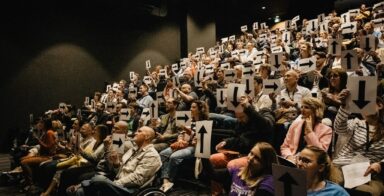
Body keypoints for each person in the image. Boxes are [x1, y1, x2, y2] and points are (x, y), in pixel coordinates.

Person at [71, 126, 161, 196]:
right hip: (118, 182)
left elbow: (137, 179)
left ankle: (83, 184)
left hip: (130, 190)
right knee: (80, 192)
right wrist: (117, 164)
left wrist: (114, 183)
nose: (135, 133)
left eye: (139, 131)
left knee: (99, 179)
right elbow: (120, 171)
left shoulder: (151, 155)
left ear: (147, 136)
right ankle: (83, 185)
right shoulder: (133, 149)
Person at [333, 92, 384, 195]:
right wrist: (344, 105)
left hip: (369, 173)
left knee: (370, 191)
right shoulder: (356, 123)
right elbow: (339, 129)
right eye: (362, 105)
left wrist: (380, 163)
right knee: (331, 183)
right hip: (344, 166)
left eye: (368, 103)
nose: (365, 107)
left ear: (380, 105)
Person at [159, 100, 209, 192]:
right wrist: (180, 140)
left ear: (200, 109)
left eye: (194, 107)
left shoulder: (205, 122)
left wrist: (187, 130)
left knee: (174, 157)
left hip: (195, 148)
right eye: (190, 107)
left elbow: (202, 140)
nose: (191, 109)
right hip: (183, 144)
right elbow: (181, 133)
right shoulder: (188, 119)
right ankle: (165, 180)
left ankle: (171, 180)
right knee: (163, 153)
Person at [281, 97, 332, 162]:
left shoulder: (326, 130)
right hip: (293, 159)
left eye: (306, 107)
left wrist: (310, 132)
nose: (302, 110)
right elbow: (285, 146)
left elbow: (320, 154)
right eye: (302, 107)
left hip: (311, 163)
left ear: (316, 111)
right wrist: (289, 157)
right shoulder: (295, 125)